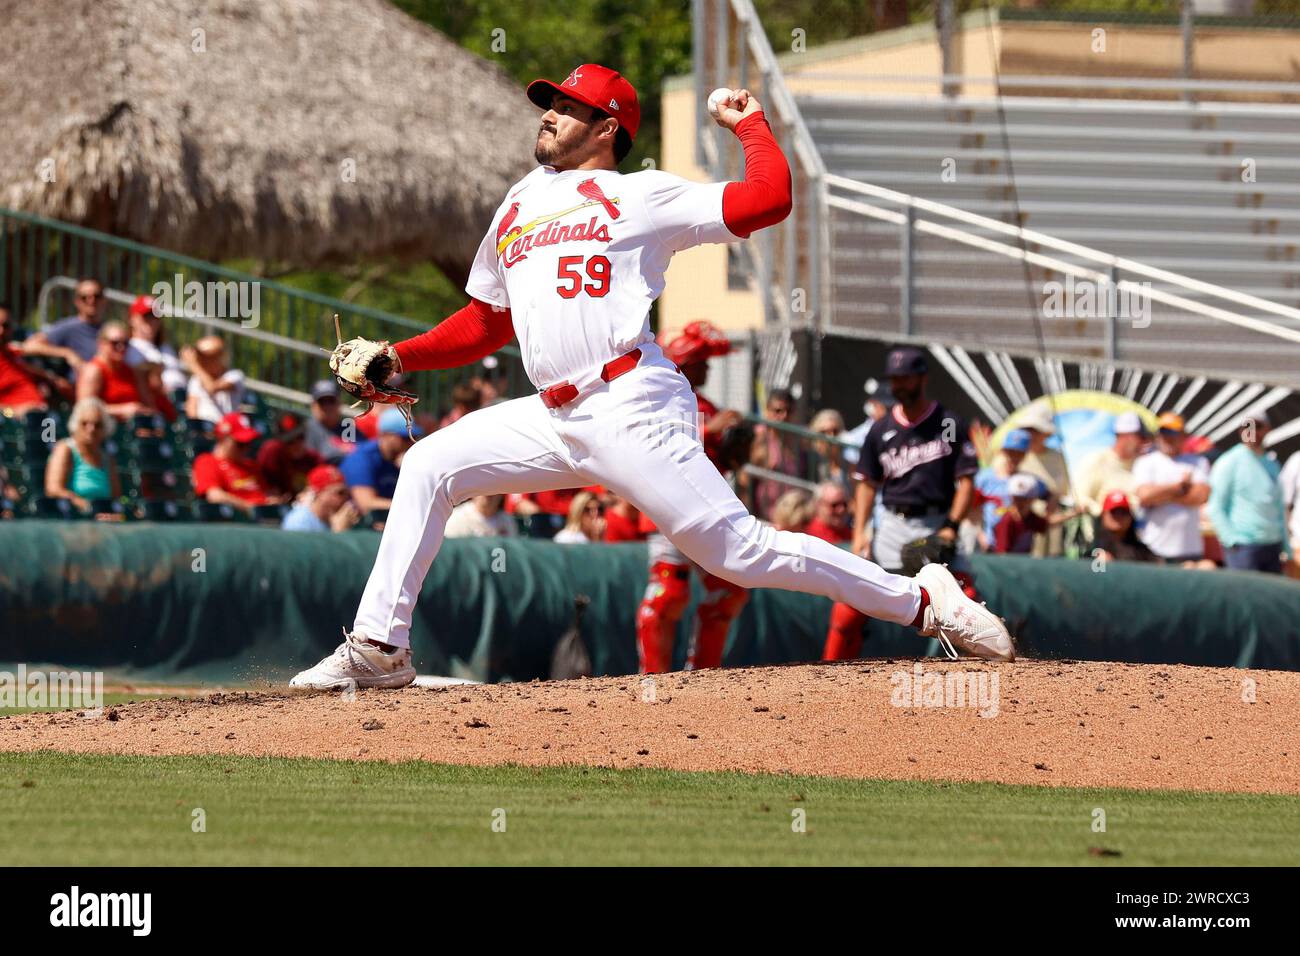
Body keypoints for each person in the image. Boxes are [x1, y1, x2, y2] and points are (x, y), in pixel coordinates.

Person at [289, 64, 1011, 690]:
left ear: (607, 128)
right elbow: (486, 323)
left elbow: (767, 200)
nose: (550, 112)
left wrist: (751, 126)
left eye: (568, 107)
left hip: (629, 398)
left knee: (737, 551)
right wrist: (400, 355)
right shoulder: (518, 201)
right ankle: (381, 648)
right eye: (551, 102)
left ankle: (922, 600)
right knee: (429, 465)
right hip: (551, 412)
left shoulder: (644, 195)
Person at [822, 346, 983, 662]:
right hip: (893, 524)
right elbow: (867, 484)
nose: (899, 386)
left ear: (922, 379)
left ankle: (989, 668)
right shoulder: (880, 430)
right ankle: (830, 671)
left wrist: (951, 527)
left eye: (906, 378)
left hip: (937, 522)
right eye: (895, 379)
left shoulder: (948, 423)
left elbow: (966, 482)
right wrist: (861, 533)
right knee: (851, 605)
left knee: (967, 601)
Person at [635, 321, 750, 672]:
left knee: (729, 590)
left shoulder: (708, 405)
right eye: (701, 359)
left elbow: (724, 459)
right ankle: (651, 680)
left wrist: (732, 443)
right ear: (684, 360)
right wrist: (707, 430)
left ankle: (702, 676)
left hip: (704, 510)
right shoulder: (657, 395)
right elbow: (647, 436)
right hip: (665, 506)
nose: (708, 366)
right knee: (667, 594)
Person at [1207, 413, 1291, 574]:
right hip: (1244, 548)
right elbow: (1215, 506)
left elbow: (1280, 507)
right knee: (1244, 598)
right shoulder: (1229, 461)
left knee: (1270, 598)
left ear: (1267, 430)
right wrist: (1231, 541)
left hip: (1273, 547)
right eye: (1247, 426)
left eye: (1257, 426)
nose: (1251, 431)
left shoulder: (1272, 463)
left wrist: (1286, 547)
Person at [1131, 412, 1213, 568]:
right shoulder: (1146, 462)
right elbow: (1145, 496)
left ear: (1184, 435)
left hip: (1190, 550)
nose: (1167, 436)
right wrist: (1180, 487)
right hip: (1155, 550)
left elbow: (1201, 496)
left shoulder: (1198, 462)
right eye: (1163, 431)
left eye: (1172, 432)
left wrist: (1161, 495)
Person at [43, 398, 120, 512]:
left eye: (97, 425)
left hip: (104, 520)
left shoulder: (108, 458)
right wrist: (83, 504)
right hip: (74, 518)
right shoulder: (65, 449)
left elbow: (115, 496)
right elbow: (53, 489)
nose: (91, 429)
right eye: (84, 423)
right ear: (75, 425)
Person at [338, 407, 420, 514]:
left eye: (413, 437)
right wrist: (413, 508)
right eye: (405, 437)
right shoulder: (361, 459)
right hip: (357, 525)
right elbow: (367, 504)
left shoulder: (401, 460)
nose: (411, 442)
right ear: (385, 435)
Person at [22, 277, 115, 371]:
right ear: (77, 302)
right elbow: (29, 346)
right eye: (84, 298)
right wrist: (67, 353)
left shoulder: (112, 330)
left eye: (96, 296)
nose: (91, 301)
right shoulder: (68, 327)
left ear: (104, 300)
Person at [192, 411, 274, 514]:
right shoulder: (207, 461)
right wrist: (251, 508)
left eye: (248, 443)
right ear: (223, 438)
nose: (246, 449)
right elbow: (215, 496)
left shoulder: (251, 465)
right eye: (240, 444)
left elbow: (266, 494)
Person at [76, 321, 155, 420]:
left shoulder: (131, 371)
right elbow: (84, 409)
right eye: (115, 343)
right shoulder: (94, 370)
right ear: (101, 344)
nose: (121, 347)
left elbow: (149, 405)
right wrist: (121, 410)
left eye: (125, 343)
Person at [974, 429, 1036, 549]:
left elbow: (1049, 494)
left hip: (1020, 545)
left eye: (1019, 453)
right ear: (1003, 451)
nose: (1014, 457)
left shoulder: (1027, 480)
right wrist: (980, 534)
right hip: (990, 544)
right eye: (1010, 452)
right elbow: (973, 509)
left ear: (1025, 455)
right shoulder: (984, 478)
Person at [1077, 411, 1146, 516]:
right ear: (1125, 436)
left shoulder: (1144, 463)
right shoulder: (1098, 460)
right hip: (1102, 528)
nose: (1144, 442)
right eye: (1141, 437)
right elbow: (1080, 497)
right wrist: (1105, 514)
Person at [751, 388, 805, 519]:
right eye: (778, 411)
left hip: (795, 518)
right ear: (767, 411)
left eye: (789, 411)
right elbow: (745, 481)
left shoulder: (800, 440)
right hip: (766, 520)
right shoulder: (759, 437)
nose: (784, 416)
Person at [0, 304, 58, 414]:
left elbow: (34, 347)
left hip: (42, 416)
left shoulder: (13, 353)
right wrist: (12, 412)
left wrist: (70, 355)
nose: (1, 331)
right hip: (13, 423)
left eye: (6, 326)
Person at [125, 295, 188, 393]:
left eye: (155, 316)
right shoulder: (129, 348)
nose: (152, 321)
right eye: (146, 316)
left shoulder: (166, 348)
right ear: (132, 319)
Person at [256, 412, 322, 498]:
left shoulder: (313, 458)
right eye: (290, 441)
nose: (297, 444)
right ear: (280, 441)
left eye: (300, 437)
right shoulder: (272, 452)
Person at [184, 335, 246, 423]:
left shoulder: (234, 375)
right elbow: (192, 407)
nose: (204, 360)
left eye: (210, 356)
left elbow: (211, 388)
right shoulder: (196, 379)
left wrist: (193, 365)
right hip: (203, 430)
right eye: (201, 356)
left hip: (226, 429)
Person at [282, 465, 360, 533]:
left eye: (347, 493)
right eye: (340, 493)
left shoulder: (343, 518)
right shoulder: (299, 521)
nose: (346, 498)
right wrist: (339, 532)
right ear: (318, 493)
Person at [1090, 491, 1155, 563]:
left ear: (1130, 516)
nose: (1119, 516)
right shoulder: (1092, 545)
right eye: (1114, 512)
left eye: (1123, 512)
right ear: (1103, 515)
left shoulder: (1142, 551)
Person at [304, 380, 355, 464]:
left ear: (340, 403)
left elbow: (359, 453)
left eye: (331, 401)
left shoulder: (348, 426)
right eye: (322, 402)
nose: (327, 406)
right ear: (313, 405)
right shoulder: (306, 429)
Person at [445, 494, 517, 538]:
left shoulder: (507, 520)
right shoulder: (456, 518)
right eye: (483, 488)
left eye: (494, 488)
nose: (488, 493)